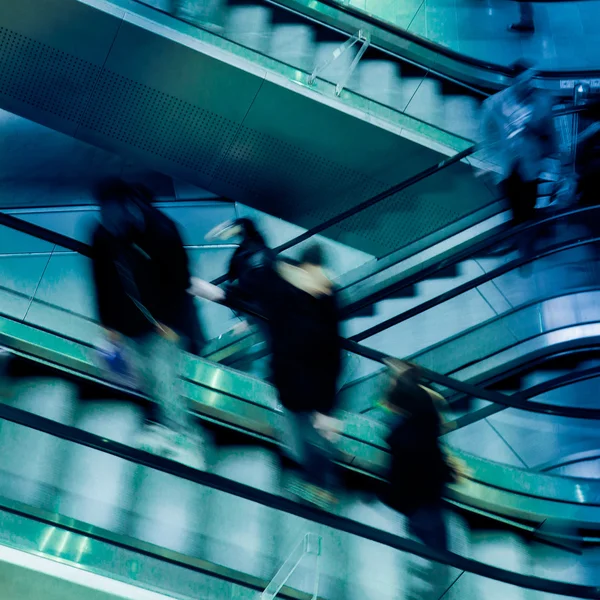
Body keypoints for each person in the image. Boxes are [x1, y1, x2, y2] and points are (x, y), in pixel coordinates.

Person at [190, 242, 342, 507]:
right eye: (315, 275)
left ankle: (318, 485)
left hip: (306, 381)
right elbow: (250, 292)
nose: (319, 282)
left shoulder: (323, 296)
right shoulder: (288, 286)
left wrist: (328, 407)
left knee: (309, 434)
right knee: (301, 431)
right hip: (294, 378)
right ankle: (313, 480)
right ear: (306, 269)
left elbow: (332, 349)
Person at [90, 178, 204, 466]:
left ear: (131, 209)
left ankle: (184, 437)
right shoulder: (102, 235)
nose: (111, 225)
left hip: (165, 323)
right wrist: (107, 323)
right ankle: (157, 424)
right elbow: (101, 281)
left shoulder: (162, 231)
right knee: (136, 372)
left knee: (164, 375)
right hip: (128, 322)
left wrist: (169, 323)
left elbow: (180, 281)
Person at [482, 60, 556, 258]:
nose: (529, 84)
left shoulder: (542, 102)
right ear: (514, 81)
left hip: (531, 166)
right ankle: (519, 238)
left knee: (528, 207)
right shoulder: (495, 104)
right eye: (524, 80)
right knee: (514, 207)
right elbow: (486, 134)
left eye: (531, 79)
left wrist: (548, 157)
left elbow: (551, 134)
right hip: (507, 167)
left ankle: (526, 248)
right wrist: (489, 162)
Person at [378, 359, 453, 552]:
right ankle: (437, 556)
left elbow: (403, 471)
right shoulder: (423, 407)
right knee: (431, 526)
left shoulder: (405, 435)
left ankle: (437, 560)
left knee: (426, 529)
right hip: (429, 489)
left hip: (418, 495)